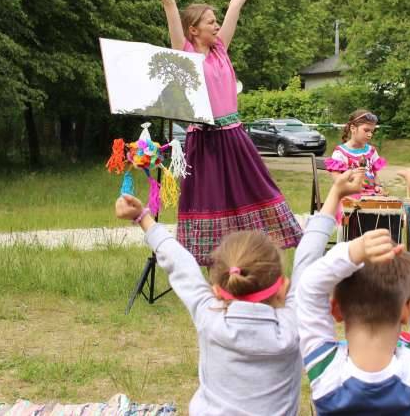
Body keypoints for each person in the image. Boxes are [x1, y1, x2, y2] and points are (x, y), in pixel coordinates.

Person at [115, 168, 365, 416]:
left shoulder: (209, 316)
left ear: (217, 290)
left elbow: (181, 264)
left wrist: (143, 218)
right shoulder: (292, 323)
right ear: (283, 287)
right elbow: (308, 258)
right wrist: (335, 194)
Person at [130, 0, 302, 266]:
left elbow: (236, 4)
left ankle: (250, 259)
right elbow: (168, 3)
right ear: (193, 30)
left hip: (233, 135)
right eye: (210, 22)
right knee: (208, 199)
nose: (217, 24)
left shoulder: (221, 47)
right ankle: (209, 264)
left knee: (251, 192)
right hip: (203, 138)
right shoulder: (185, 49)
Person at [296, 168, 410, 415]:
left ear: (335, 309)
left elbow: (308, 287)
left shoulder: (325, 371)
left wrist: (351, 252)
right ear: (407, 311)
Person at [325, 109, 387, 196]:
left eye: (372, 131)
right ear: (353, 128)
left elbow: (375, 175)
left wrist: (379, 186)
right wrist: (353, 174)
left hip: (371, 197)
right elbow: (337, 181)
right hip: (348, 197)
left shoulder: (371, 151)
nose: (370, 135)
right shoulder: (340, 153)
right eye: (366, 130)